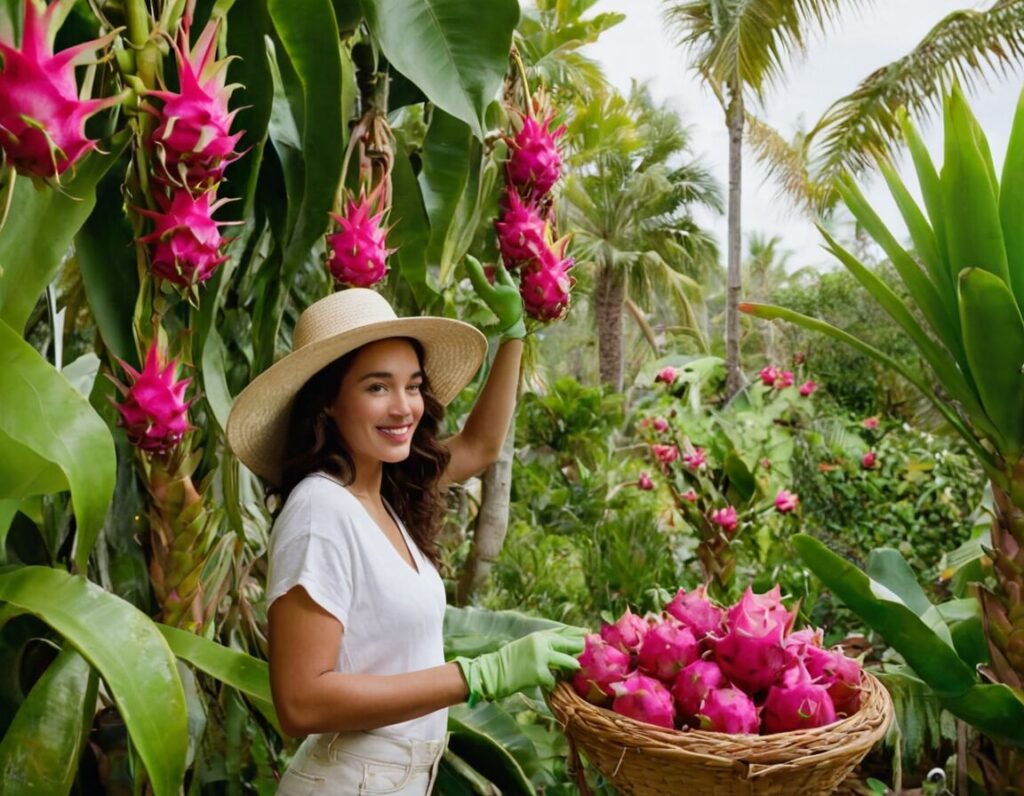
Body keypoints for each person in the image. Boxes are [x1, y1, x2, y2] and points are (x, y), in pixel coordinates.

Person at [226, 258, 585, 795]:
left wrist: (513, 335)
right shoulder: (320, 511)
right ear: (328, 401)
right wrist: (477, 675)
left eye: (413, 386)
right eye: (377, 388)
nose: (404, 408)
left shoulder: (383, 496)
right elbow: (300, 702)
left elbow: (479, 447)